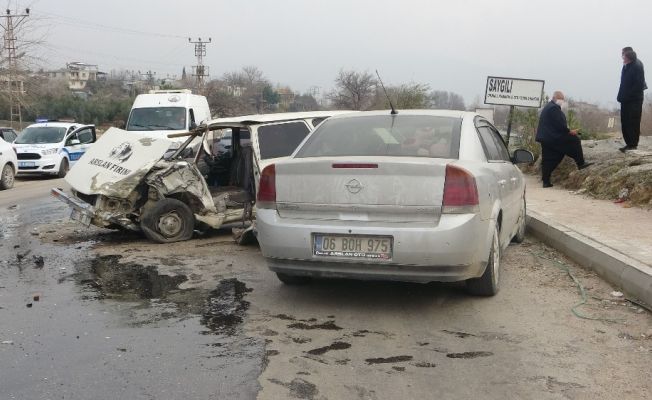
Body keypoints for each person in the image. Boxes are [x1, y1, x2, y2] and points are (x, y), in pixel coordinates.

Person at [535, 91, 592, 188]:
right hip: (553, 137)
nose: (562, 101)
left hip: (546, 138)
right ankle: (581, 163)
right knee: (574, 140)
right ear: (555, 98)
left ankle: (546, 181)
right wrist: (570, 131)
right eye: (561, 99)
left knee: (550, 158)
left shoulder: (549, 107)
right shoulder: (553, 108)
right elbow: (560, 125)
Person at [617, 48, 647, 152]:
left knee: (632, 121)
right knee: (625, 121)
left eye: (623, 55)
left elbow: (638, 86)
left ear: (629, 57)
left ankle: (633, 144)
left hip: (634, 100)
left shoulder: (637, 66)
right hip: (625, 99)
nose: (622, 57)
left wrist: (627, 96)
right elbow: (623, 83)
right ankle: (628, 143)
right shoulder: (627, 65)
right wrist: (620, 96)